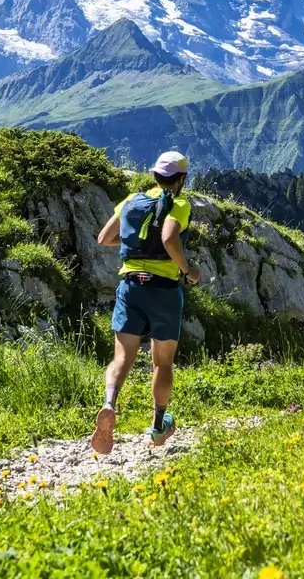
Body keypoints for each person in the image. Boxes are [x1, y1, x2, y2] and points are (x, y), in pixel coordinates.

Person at [90, 151, 201, 454]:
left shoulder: (131, 200)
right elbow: (168, 237)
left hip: (130, 286)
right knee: (161, 362)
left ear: (154, 176)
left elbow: (104, 238)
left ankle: (109, 403)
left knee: (122, 357)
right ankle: (158, 424)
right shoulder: (179, 204)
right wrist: (187, 270)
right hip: (163, 290)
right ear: (181, 179)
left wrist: (135, 247)